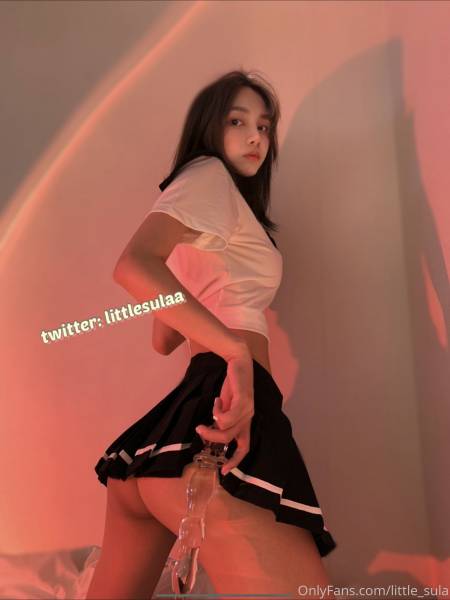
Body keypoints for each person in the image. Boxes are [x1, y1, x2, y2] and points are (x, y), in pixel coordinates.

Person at [86, 70, 337, 600]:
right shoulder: (208, 175)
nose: (256, 137)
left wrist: (194, 279)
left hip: (166, 442)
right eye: (237, 121)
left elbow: (163, 339)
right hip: (221, 409)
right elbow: (132, 265)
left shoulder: (212, 212)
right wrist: (234, 351)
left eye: (264, 127)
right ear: (208, 128)